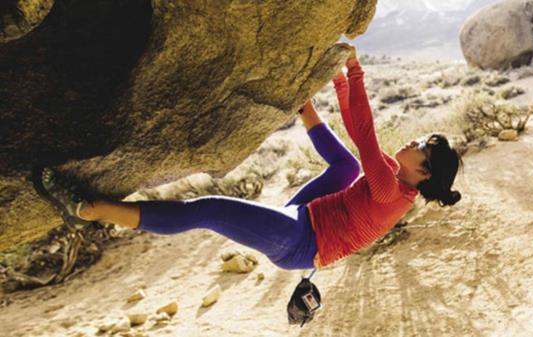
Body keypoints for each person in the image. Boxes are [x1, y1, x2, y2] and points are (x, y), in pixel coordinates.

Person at [37, 45, 462, 271]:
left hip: (300, 243)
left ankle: (95, 210)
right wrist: (335, 79)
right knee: (348, 167)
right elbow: (356, 134)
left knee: (206, 209)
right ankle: (303, 108)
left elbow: (366, 134)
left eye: (422, 146)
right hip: (305, 217)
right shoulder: (394, 176)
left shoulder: (391, 190)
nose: (413, 142)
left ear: (423, 171)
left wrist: (354, 72)